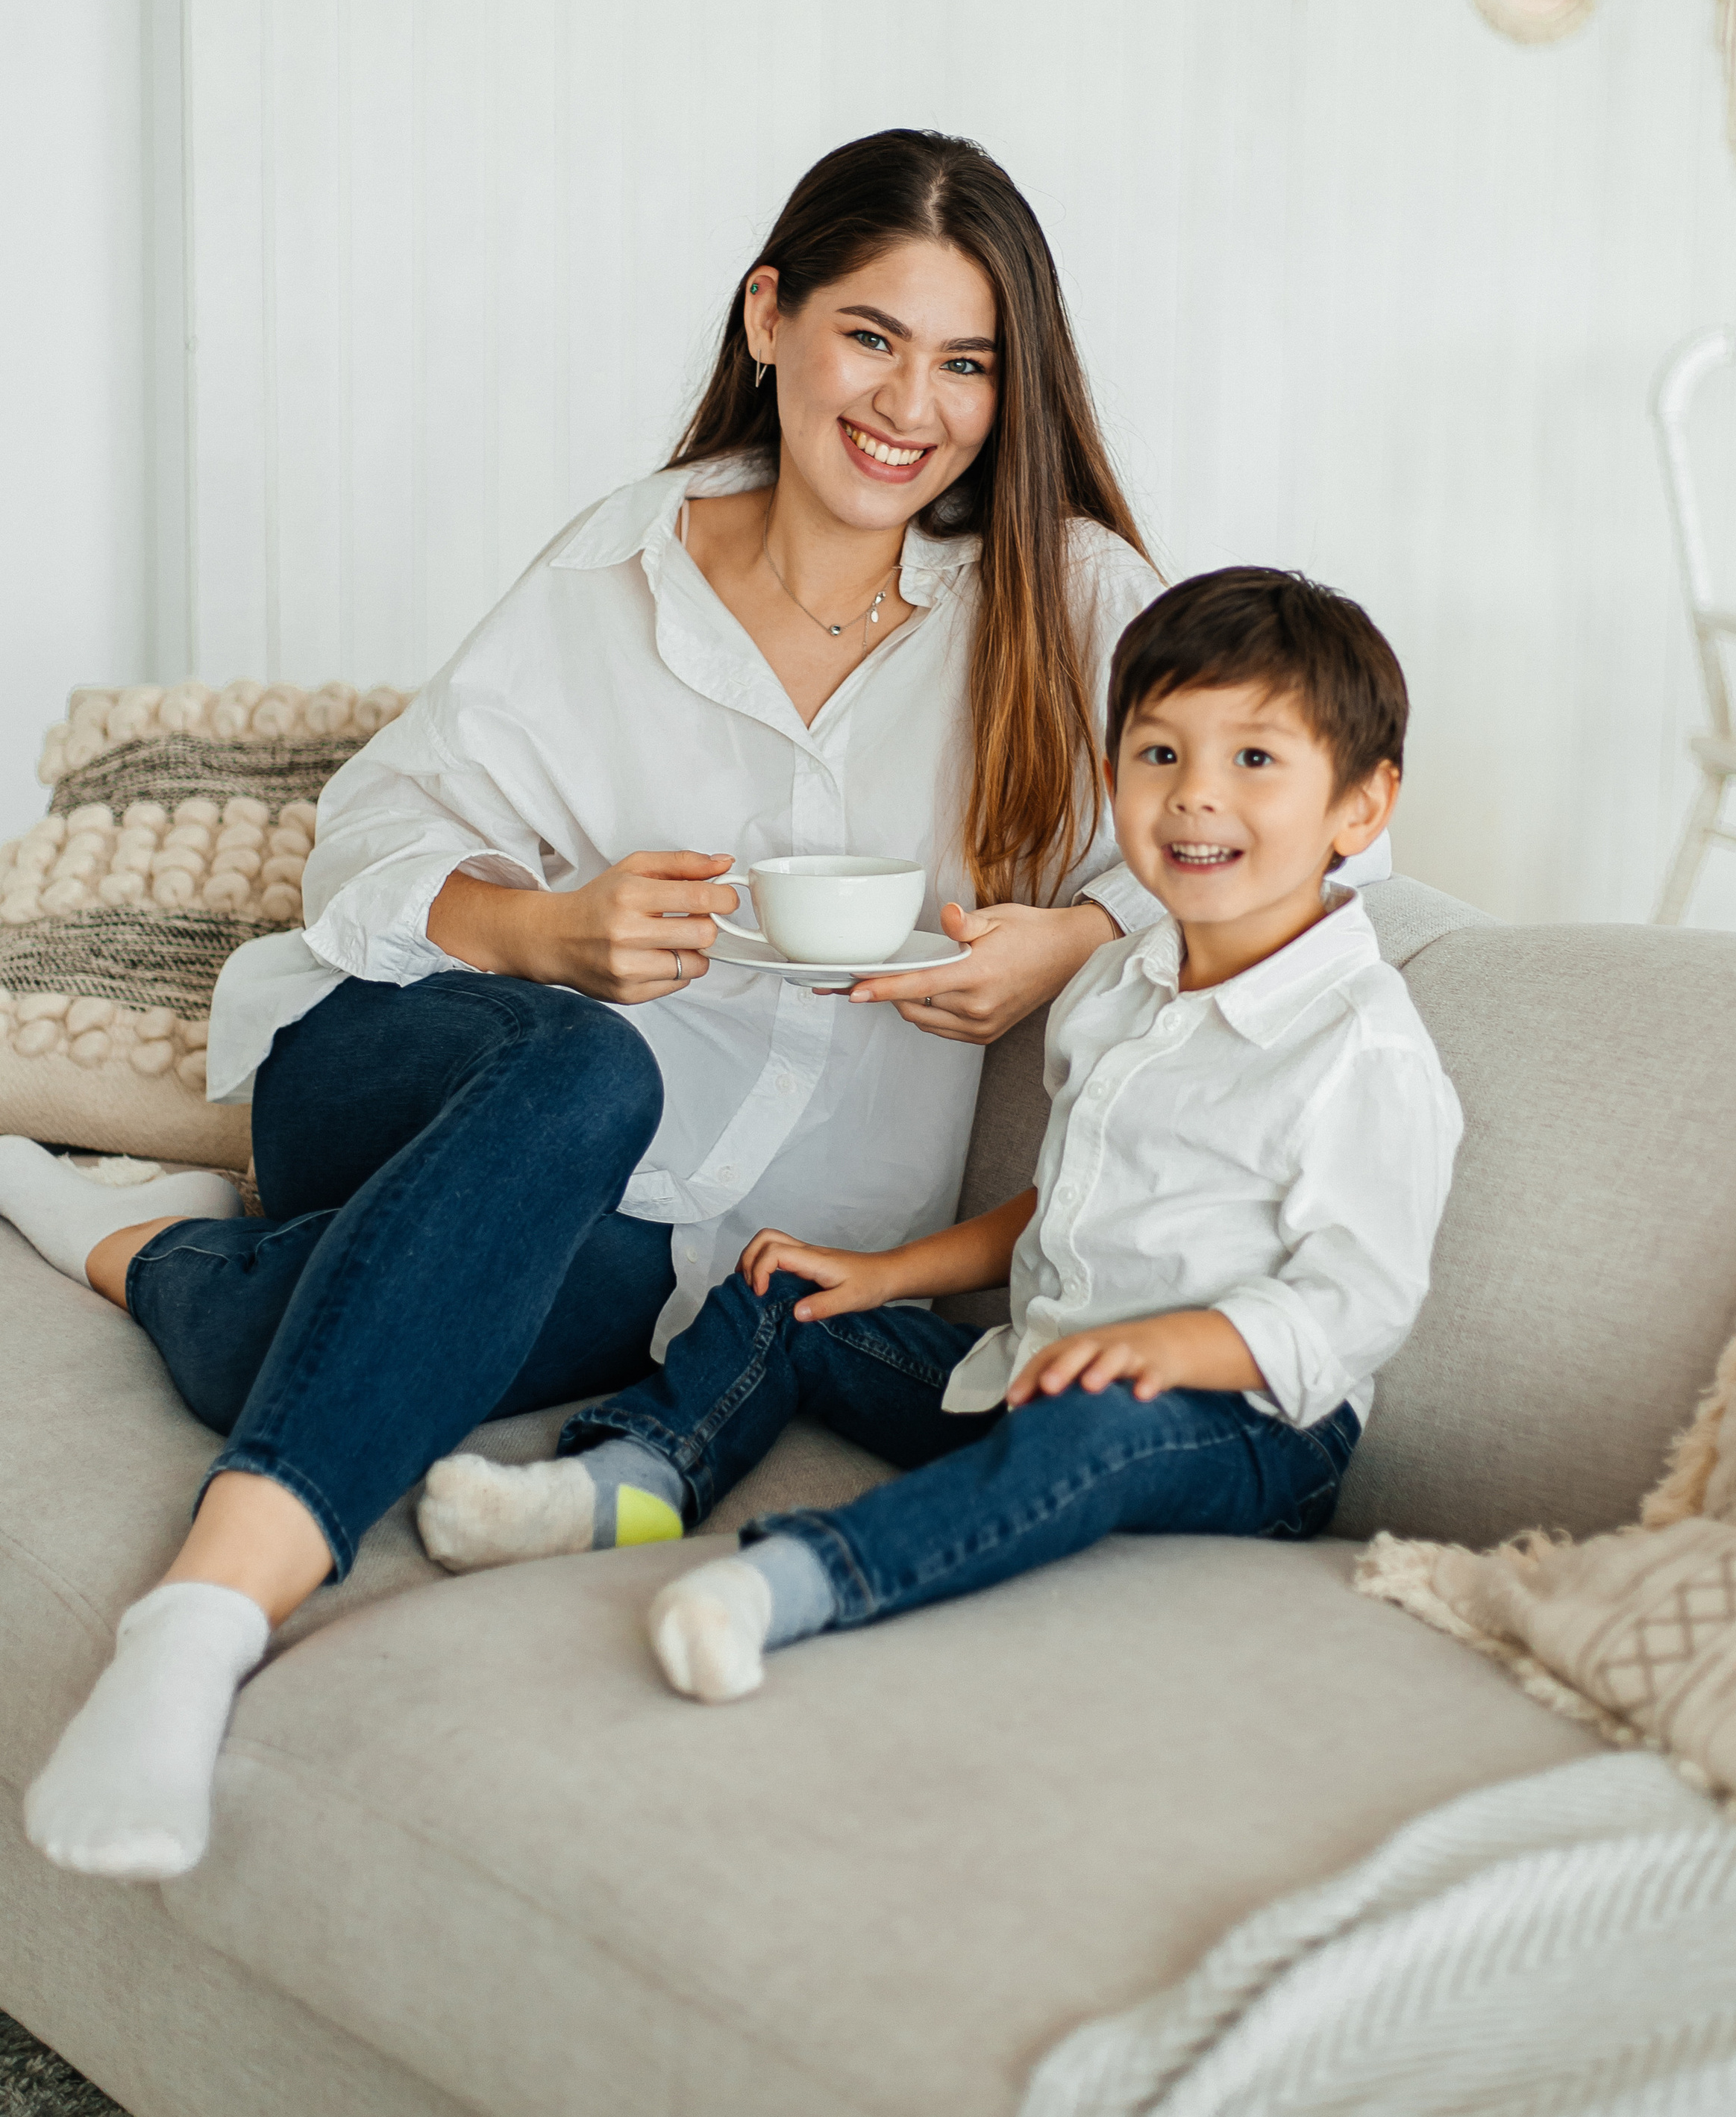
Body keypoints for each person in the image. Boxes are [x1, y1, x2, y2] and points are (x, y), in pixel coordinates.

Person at [10, 128, 1199, 1880]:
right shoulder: (624, 563)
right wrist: (540, 928)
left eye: (967, 363)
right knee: (587, 1072)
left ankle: (99, 1218)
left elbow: (1249, 867)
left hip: (716, 1240)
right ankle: (198, 1625)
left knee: (317, 1338)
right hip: (413, 1068)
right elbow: (372, 834)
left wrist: (1068, 945)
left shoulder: (1071, 595)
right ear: (769, 316)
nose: (911, 404)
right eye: (871, 335)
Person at [417, 566, 1459, 1705]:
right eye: (1161, 754)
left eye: (1254, 760)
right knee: (784, 1287)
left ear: (1361, 807)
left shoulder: (1361, 1047)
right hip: (1035, 1369)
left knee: (1095, 1422)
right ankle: (630, 1482)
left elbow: (1358, 1304)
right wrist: (884, 1276)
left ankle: (801, 1581)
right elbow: (1058, 1203)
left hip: (1240, 1436)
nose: (1195, 796)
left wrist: (1171, 1353)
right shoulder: (1122, 987)